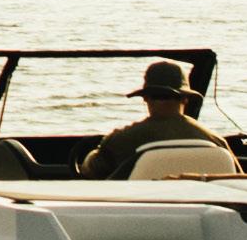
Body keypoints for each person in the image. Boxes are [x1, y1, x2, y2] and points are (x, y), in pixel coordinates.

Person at [87, 63, 223, 178]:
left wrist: (90, 156)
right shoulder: (215, 142)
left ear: (145, 98)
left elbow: (90, 172)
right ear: (185, 99)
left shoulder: (119, 140)